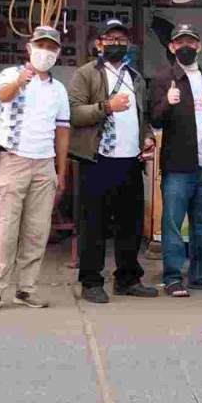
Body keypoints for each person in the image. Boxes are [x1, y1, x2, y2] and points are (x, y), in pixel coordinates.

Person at [0, 26, 70, 312]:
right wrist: (21, 79)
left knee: (36, 231)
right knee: (3, 231)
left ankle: (26, 288)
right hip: (12, 160)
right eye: (41, 45)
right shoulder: (10, 74)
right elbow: (4, 96)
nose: (46, 52)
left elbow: (62, 131)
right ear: (29, 47)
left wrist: (61, 172)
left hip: (43, 165)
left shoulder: (58, 89)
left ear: (57, 53)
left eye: (52, 47)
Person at [68, 19, 157, 304]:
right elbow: (72, 113)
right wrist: (107, 107)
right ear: (99, 44)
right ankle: (91, 281)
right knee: (93, 223)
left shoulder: (136, 77)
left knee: (129, 223)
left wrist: (146, 137)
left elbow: (140, 117)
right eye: (110, 39)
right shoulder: (86, 74)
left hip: (129, 160)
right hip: (97, 159)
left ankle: (128, 278)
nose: (116, 44)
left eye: (121, 39)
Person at [150, 23, 202, 297]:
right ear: (171, 47)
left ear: (199, 46)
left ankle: (200, 276)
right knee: (172, 225)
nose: (186, 47)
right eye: (180, 43)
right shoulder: (163, 78)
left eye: (191, 43)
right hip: (178, 166)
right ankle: (172, 278)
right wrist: (168, 101)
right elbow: (155, 119)